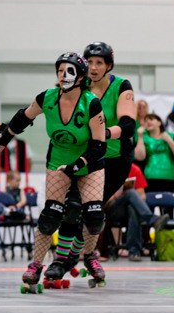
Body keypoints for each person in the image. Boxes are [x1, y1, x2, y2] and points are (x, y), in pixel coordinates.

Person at [0, 52, 106, 288]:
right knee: (50, 216)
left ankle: (89, 256)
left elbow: (99, 145)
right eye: (61, 70)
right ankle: (35, 265)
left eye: (70, 71)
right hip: (58, 161)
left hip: (89, 163)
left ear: (81, 76)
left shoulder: (91, 103)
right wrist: (4, 138)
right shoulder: (48, 98)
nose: (64, 75)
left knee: (94, 217)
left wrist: (78, 165)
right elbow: (23, 117)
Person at [42, 42, 137, 283]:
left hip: (115, 158)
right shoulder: (78, 85)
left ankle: (82, 255)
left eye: (99, 63)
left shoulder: (121, 87)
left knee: (91, 212)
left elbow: (128, 125)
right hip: (86, 156)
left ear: (109, 66)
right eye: (90, 62)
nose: (93, 68)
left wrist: (103, 133)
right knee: (72, 208)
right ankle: (63, 260)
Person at [105, 163, 168, 261]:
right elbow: (102, 201)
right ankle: (152, 219)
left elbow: (142, 196)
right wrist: (116, 195)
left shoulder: (134, 169)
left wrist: (134, 199)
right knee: (130, 193)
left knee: (133, 208)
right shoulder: (108, 169)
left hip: (129, 210)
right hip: (112, 209)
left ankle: (134, 252)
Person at [134, 113, 174, 193]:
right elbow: (140, 157)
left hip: (169, 177)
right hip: (149, 177)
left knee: (168, 203)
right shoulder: (143, 138)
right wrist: (140, 137)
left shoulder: (171, 136)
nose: (148, 122)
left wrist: (169, 140)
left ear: (159, 122)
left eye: (151, 119)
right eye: (146, 121)